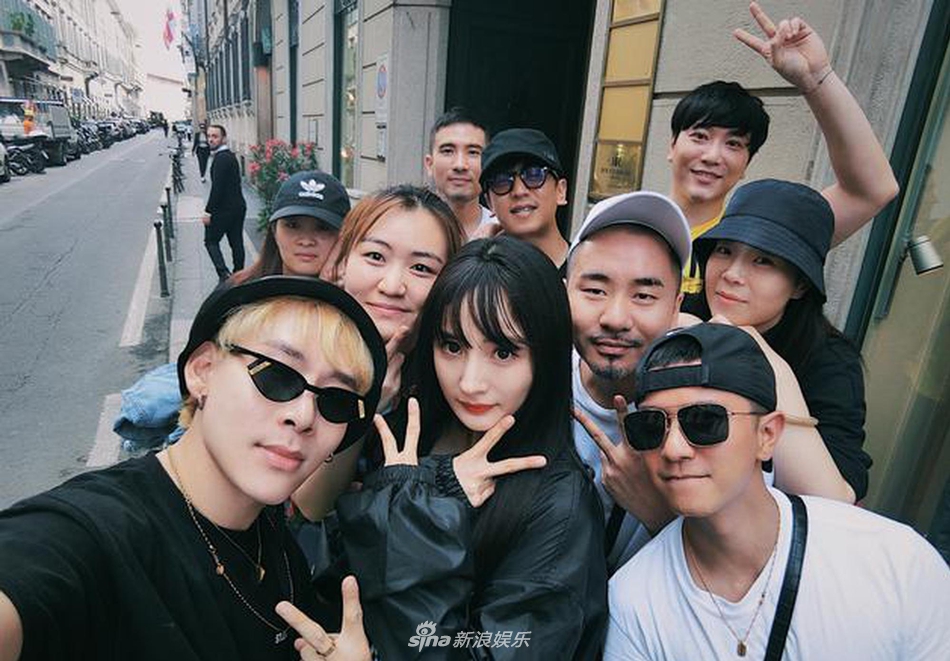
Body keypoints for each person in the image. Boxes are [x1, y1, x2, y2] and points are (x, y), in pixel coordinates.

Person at [0, 276, 387, 661]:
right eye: (277, 375)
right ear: (202, 371)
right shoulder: (93, 535)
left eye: (336, 400)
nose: (303, 416)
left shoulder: (265, 524)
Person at [603, 323, 950, 660]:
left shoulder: (893, 563)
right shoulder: (634, 601)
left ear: (767, 435)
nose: (673, 449)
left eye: (705, 421)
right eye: (651, 426)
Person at [336, 236, 608, 659]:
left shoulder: (561, 506)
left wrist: (421, 512)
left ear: (548, 356)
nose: (470, 382)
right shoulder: (404, 436)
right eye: (452, 346)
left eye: (504, 352)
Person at [672, 1, 898, 295]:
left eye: (734, 144)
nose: (713, 156)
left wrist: (816, 79)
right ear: (672, 146)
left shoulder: (762, 233)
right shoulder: (624, 221)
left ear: (746, 164)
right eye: (700, 136)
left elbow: (871, 191)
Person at [291, 185, 464, 522]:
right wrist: (365, 402)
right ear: (343, 263)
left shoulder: (454, 368)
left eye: (421, 268)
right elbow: (311, 506)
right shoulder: (303, 349)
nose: (392, 285)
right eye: (375, 257)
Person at [692, 179, 871, 502]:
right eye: (724, 250)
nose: (731, 274)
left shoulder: (829, 363)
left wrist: (764, 358)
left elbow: (836, 499)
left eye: (763, 260)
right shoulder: (689, 315)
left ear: (800, 285)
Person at [565, 192, 692, 573]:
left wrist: (656, 511)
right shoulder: (526, 381)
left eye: (644, 295)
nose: (616, 318)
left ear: (675, 308)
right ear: (564, 292)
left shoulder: (702, 419)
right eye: (595, 291)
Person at [232, 170, 351, 284]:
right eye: (293, 225)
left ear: (344, 238)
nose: (306, 241)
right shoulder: (238, 293)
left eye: (323, 228)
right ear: (274, 231)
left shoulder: (356, 296)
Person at [479, 128, 570, 272]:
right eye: (501, 181)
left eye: (534, 175)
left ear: (561, 191)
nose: (519, 191)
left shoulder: (588, 271)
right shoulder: (481, 277)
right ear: (490, 203)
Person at [424, 107, 496, 241]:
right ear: (429, 164)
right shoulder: (408, 229)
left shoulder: (504, 234)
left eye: (473, 152)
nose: (460, 165)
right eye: (448, 151)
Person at [203, 124, 248, 281]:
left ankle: (224, 274)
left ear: (223, 139)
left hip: (224, 209)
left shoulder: (221, 159)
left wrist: (208, 211)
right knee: (236, 242)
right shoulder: (229, 156)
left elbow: (217, 188)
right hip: (238, 207)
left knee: (210, 241)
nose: (210, 139)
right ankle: (239, 275)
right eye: (209, 136)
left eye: (215, 136)